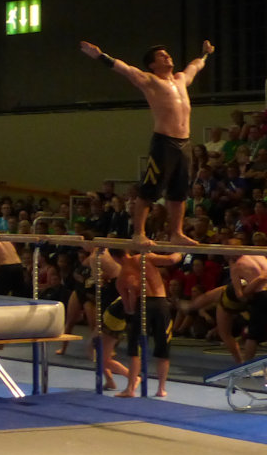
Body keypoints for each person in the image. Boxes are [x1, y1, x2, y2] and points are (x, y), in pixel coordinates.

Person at [79, 39, 213, 245]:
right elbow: (125, 69)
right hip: (164, 142)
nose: (168, 56)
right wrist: (99, 55)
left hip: (185, 143)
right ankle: (138, 232)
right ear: (152, 65)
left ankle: (176, 232)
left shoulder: (180, 80)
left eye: (167, 54)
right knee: (149, 190)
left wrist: (205, 54)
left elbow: (195, 66)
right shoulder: (150, 80)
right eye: (162, 55)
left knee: (179, 192)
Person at [114, 249, 182, 398]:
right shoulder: (144, 258)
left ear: (114, 258)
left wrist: (133, 291)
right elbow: (171, 260)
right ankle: (161, 389)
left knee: (135, 347)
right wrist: (181, 251)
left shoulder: (121, 278)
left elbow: (129, 309)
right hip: (160, 303)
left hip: (142, 305)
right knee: (163, 346)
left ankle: (130, 388)